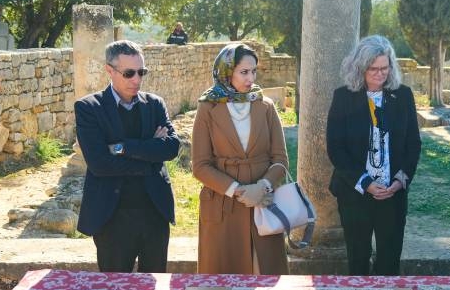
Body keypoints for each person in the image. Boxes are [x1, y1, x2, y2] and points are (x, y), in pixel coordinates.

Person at [75, 40, 180, 273]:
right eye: (129, 73)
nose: (137, 80)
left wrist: (122, 148)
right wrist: (150, 153)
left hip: (154, 213)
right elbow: (99, 163)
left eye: (141, 72)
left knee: (154, 289)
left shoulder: (154, 104)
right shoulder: (88, 107)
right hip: (112, 217)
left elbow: (172, 147)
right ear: (109, 70)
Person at [326, 35, 421, 276]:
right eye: (373, 69)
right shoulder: (343, 97)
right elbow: (336, 148)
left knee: (389, 260)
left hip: (393, 193)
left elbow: (413, 144)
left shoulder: (403, 96)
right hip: (355, 193)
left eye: (385, 68)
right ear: (360, 68)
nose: (380, 74)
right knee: (358, 259)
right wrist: (366, 183)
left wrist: (400, 180)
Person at [192, 43, 290, 275]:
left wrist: (262, 187)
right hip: (224, 204)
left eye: (254, 71)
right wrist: (238, 190)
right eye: (243, 72)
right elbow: (200, 166)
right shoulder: (207, 108)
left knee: (265, 276)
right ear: (227, 72)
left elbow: (280, 158)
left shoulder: (265, 106)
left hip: (263, 203)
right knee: (225, 280)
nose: (250, 78)